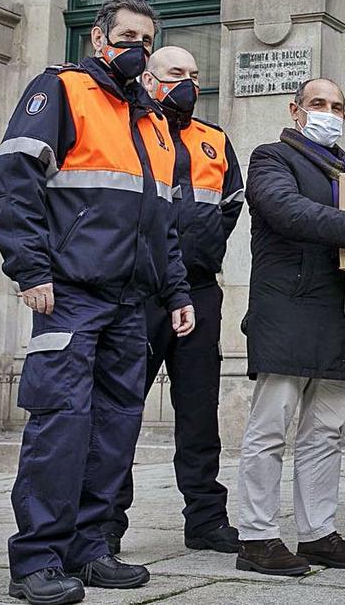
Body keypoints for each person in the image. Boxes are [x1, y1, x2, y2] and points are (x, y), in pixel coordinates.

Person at [0, 0, 193, 605]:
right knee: (62, 423)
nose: (139, 48)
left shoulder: (153, 120)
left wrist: (177, 290)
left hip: (132, 302)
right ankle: (37, 558)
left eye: (147, 40)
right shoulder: (60, 90)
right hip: (70, 294)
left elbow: (165, 224)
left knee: (114, 428)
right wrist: (30, 269)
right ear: (99, 39)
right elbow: (13, 184)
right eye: (128, 35)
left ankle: (91, 547)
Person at [235, 78, 345, 576]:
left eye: (338, 105)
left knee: (325, 433)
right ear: (296, 110)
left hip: (339, 318)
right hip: (287, 315)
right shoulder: (271, 158)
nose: (329, 112)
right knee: (270, 429)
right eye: (318, 104)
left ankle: (317, 533)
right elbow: (287, 212)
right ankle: (256, 538)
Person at [103, 46, 244, 557]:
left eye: (194, 74)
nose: (187, 82)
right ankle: (105, 524)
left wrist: (195, 255)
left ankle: (205, 520)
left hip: (200, 291)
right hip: (137, 291)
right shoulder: (128, 129)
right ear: (148, 78)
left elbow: (228, 209)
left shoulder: (214, 140)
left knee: (199, 412)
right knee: (120, 410)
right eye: (174, 74)